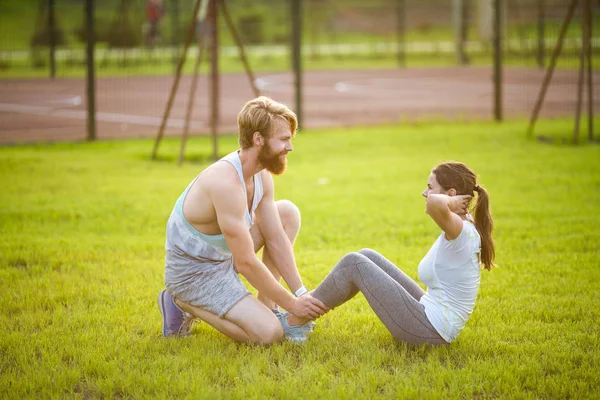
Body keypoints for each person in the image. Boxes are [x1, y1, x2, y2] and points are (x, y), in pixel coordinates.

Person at [158, 96, 328, 346]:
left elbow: (276, 237)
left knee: (287, 213)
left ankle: (267, 309)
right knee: (269, 335)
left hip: (222, 259)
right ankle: (182, 301)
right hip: (194, 274)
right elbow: (246, 262)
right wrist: (293, 306)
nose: (289, 147)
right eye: (283, 139)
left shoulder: (261, 176)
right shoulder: (226, 183)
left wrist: (300, 293)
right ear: (258, 139)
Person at [288, 162, 495, 345]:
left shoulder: (461, 231)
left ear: (451, 194)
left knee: (354, 263)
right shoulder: (462, 225)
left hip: (429, 331)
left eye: (430, 187)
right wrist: (450, 201)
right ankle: (304, 310)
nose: (424, 193)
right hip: (430, 315)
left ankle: (293, 321)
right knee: (367, 255)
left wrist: (448, 201)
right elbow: (435, 202)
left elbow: (434, 204)